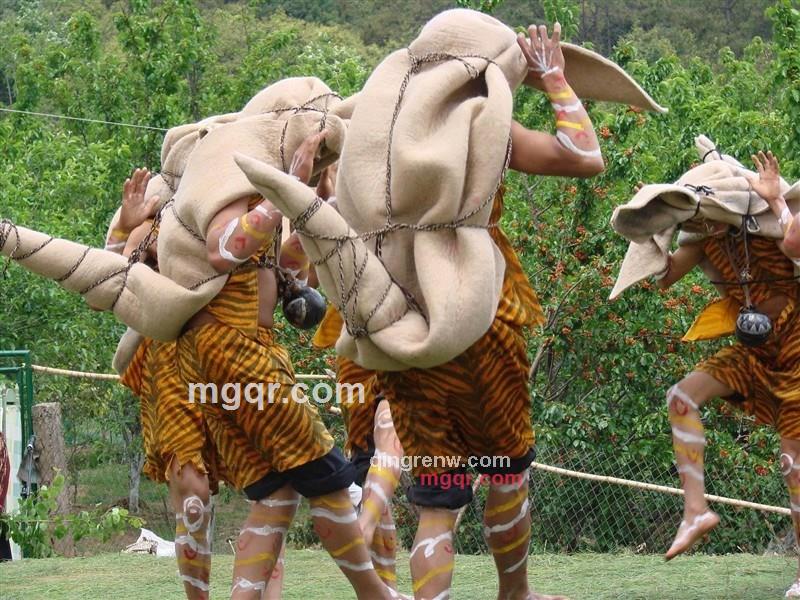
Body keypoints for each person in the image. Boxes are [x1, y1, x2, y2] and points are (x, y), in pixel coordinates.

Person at [371, 22, 603, 600]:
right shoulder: (485, 127)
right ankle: (514, 594)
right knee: (506, 466)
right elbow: (584, 155)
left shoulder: (381, 134)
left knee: (438, 496)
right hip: (478, 314)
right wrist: (554, 80)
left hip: (405, 321)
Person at [171, 129, 395, 600]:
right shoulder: (224, 192)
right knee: (329, 478)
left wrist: (309, 198)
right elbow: (224, 249)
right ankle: (378, 596)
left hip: (237, 355)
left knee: (275, 493)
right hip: (234, 353)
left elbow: (292, 269)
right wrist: (286, 186)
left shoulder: (256, 198)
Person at [654, 152, 800, 595]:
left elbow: (795, 244)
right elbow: (663, 278)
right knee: (681, 398)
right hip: (754, 354)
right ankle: (695, 511)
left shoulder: (769, 224)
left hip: (798, 349)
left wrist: (775, 201)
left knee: (794, 464)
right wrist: (650, 228)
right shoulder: (701, 238)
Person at [108, 167, 220, 600]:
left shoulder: (233, 202)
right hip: (171, 362)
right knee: (192, 492)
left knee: (271, 491)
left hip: (240, 358)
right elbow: (110, 280)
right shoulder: (152, 217)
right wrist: (124, 224)